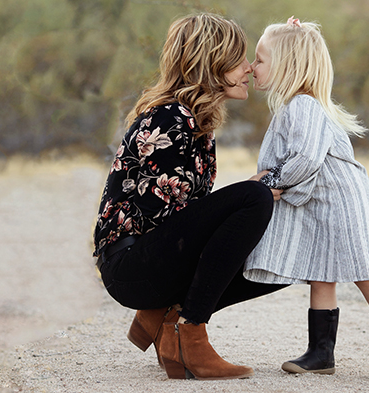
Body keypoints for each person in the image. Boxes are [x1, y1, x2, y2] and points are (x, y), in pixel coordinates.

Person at [92, 13, 286, 381]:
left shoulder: (196, 121)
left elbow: (187, 221)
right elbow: (163, 221)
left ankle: (163, 320)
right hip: (130, 265)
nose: (248, 68)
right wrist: (249, 196)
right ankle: (188, 330)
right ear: (212, 64)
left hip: (150, 259)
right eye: (238, 59)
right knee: (254, 200)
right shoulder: (171, 119)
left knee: (283, 263)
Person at [244, 17, 369, 383]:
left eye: (259, 59)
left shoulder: (304, 107)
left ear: (287, 66)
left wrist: (270, 183)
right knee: (320, 271)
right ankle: (320, 352)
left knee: (364, 268)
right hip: (320, 200)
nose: (251, 66)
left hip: (339, 200)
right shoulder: (293, 107)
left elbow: (306, 158)